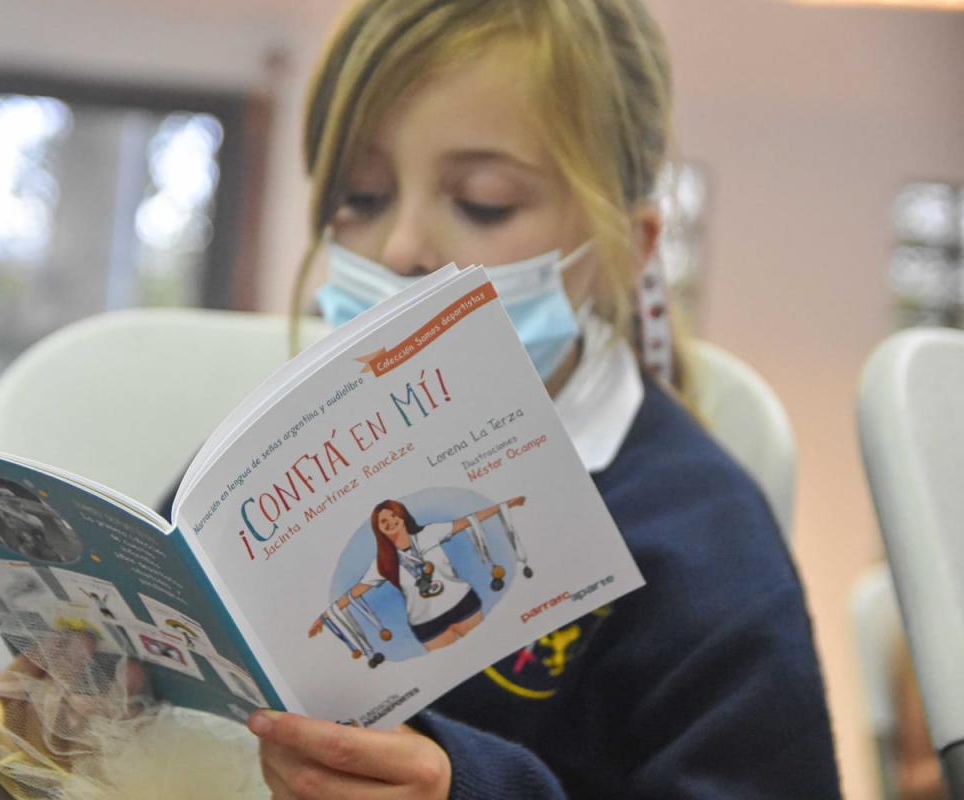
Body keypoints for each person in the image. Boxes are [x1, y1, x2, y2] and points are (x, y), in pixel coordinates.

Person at [233, 1, 843, 798]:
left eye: (484, 202)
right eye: (361, 196)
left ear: (629, 248)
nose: (402, 248)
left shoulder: (703, 545)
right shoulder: (278, 460)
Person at [311, 497, 527, 652]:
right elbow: (356, 592)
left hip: (463, 604)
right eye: (383, 523)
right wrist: (326, 617)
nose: (390, 523)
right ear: (380, 531)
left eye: (393, 516)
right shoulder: (383, 562)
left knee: (489, 652)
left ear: (403, 516)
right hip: (426, 625)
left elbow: (467, 521)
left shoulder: (429, 534)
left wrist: (504, 506)